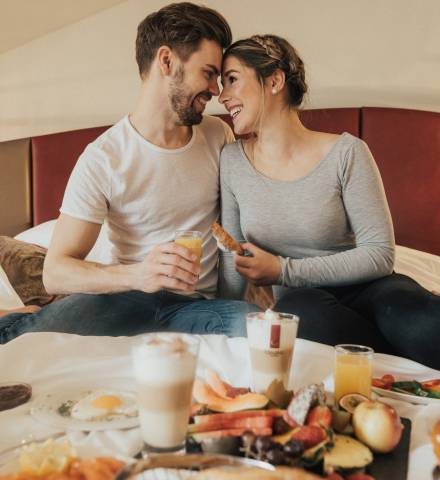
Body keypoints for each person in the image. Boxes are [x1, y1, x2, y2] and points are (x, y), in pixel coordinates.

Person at [0, 3, 258, 344]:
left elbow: (240, 222)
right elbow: (55, 272)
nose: (215, 90)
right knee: (24, 339)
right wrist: (140, 274)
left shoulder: (217, 136)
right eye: (208, 73)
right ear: (166, 61)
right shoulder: (104, 158)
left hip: (195, 306)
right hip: (122, 300)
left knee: (252, 326)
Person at [217, 34, 440, 369]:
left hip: (371, 289)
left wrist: (283, 269)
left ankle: (394, 361)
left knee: (420, 322)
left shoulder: (347, 152)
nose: (222, 96)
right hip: (307, 304)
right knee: (303, 318)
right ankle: (404, 370)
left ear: (275, 80)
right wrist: (224, 331)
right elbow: (233, 262)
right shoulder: (232, 161)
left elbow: (379, 253)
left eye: (232, 80)